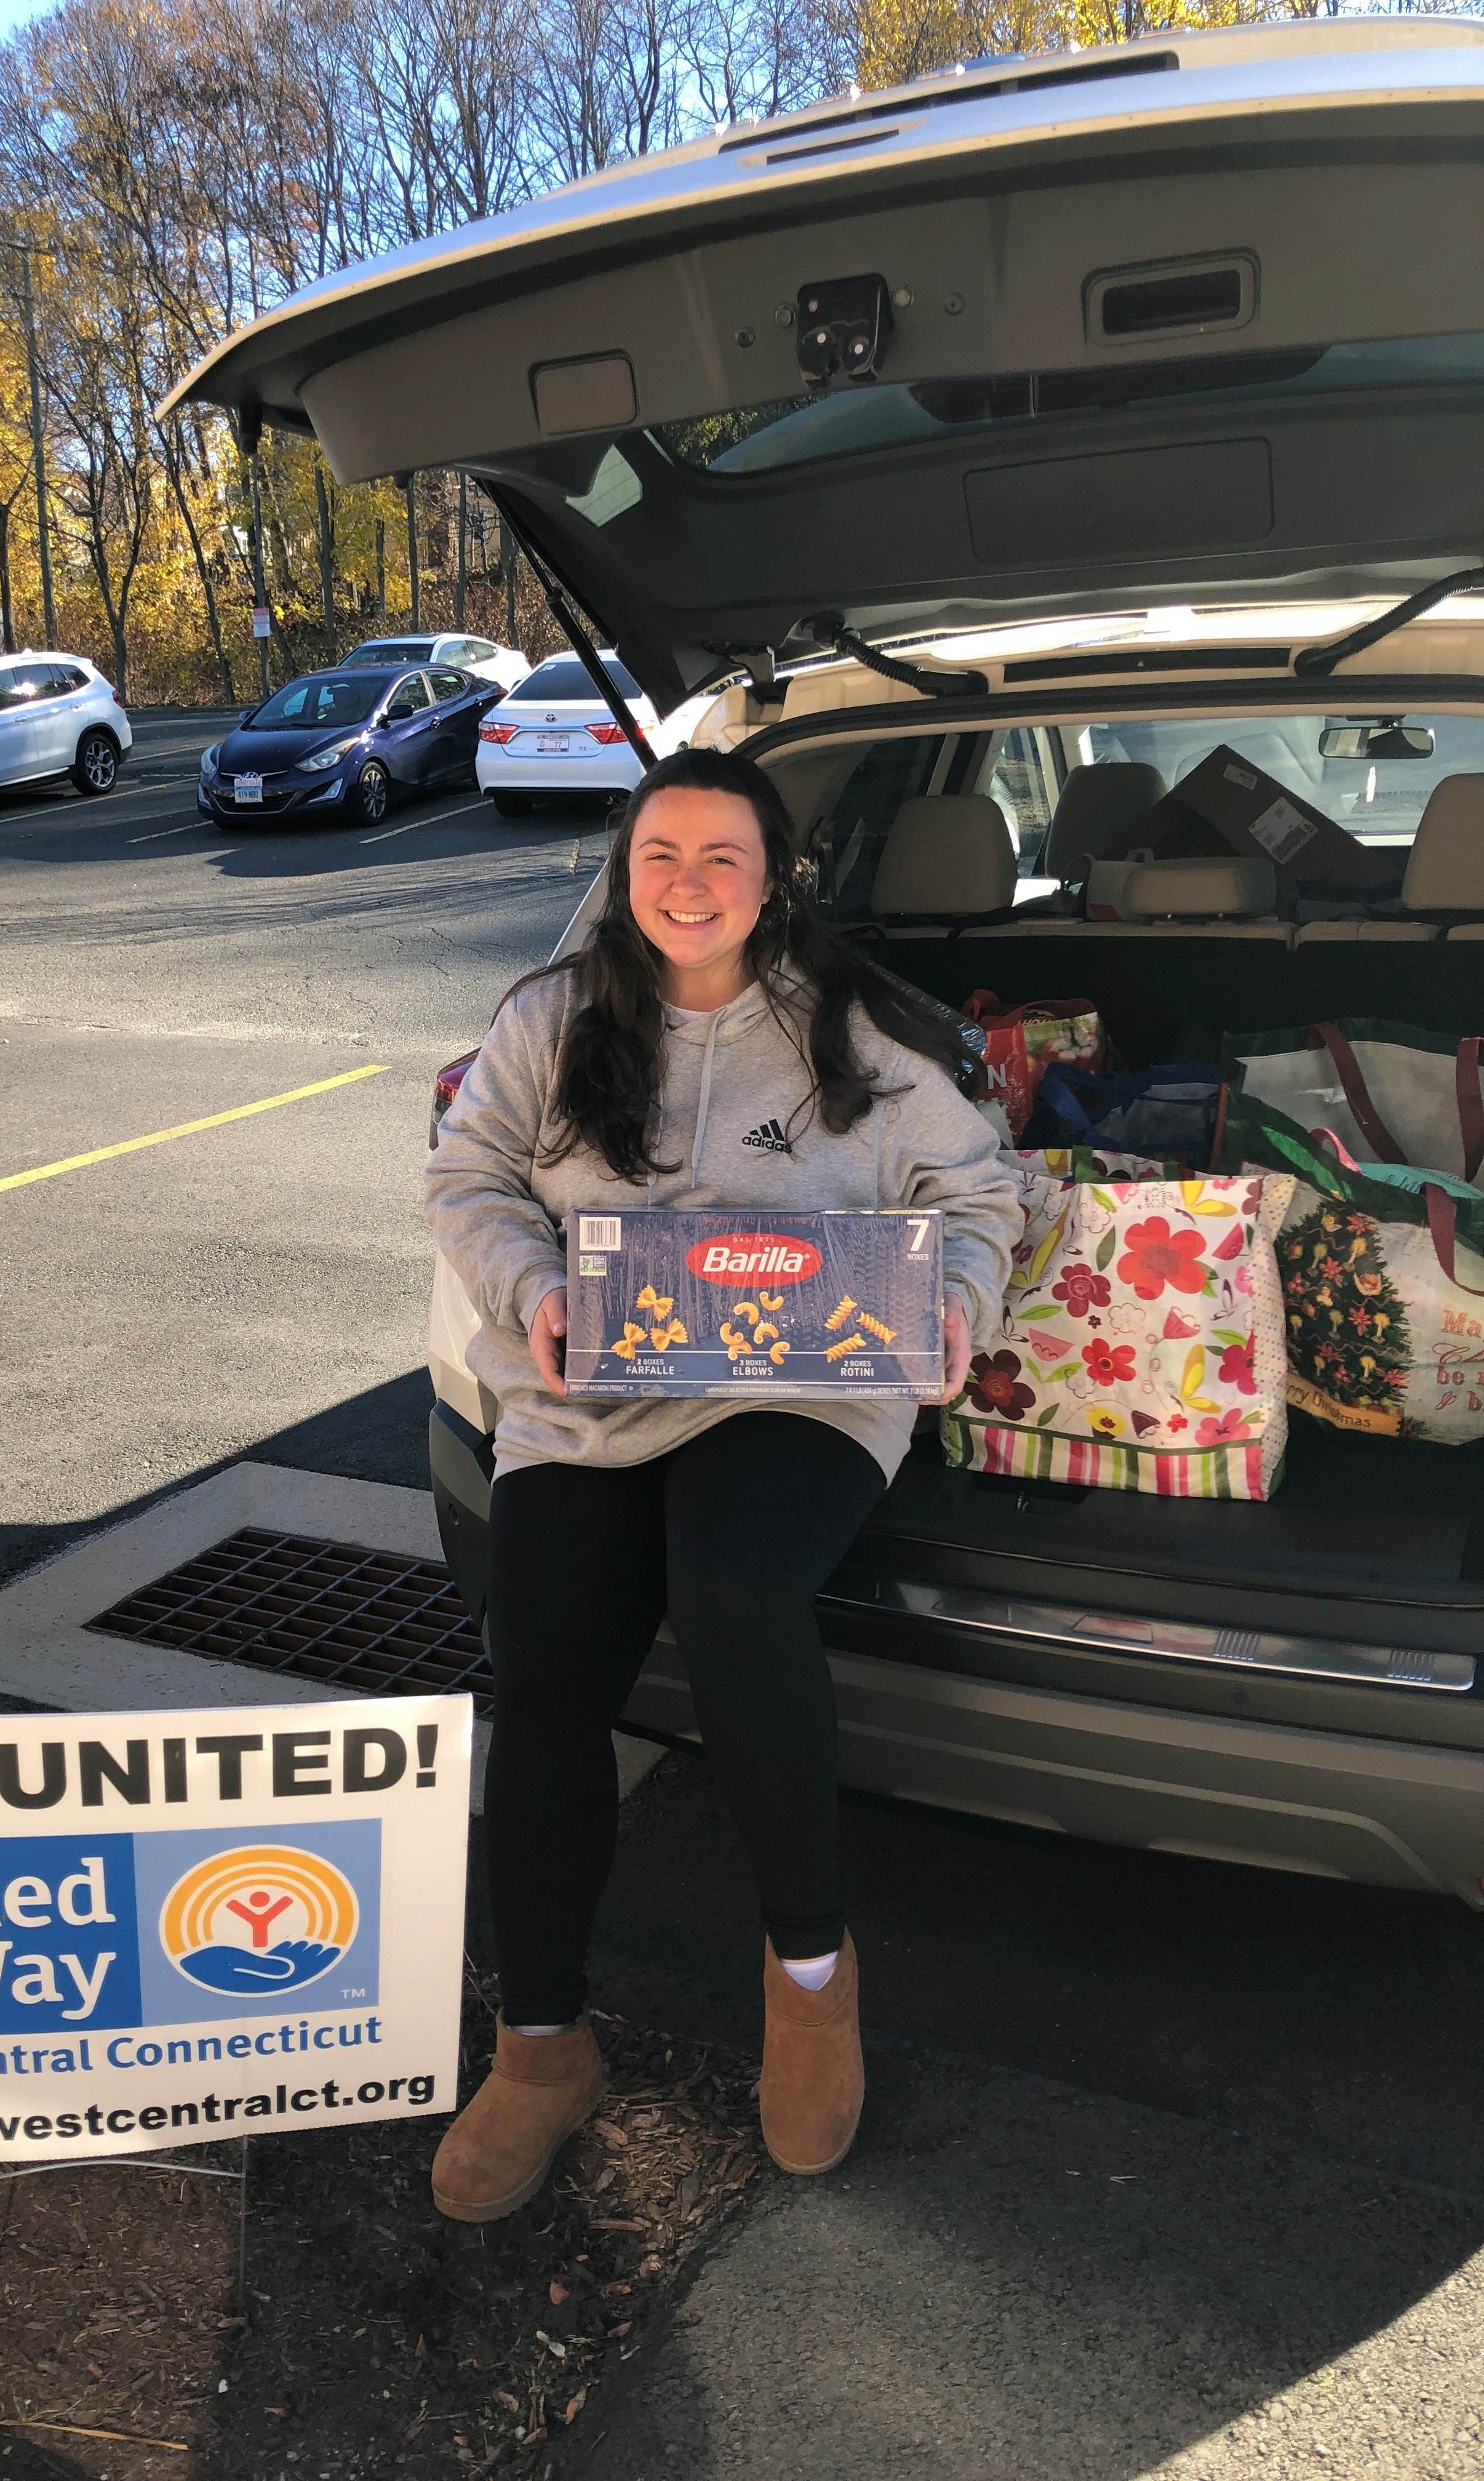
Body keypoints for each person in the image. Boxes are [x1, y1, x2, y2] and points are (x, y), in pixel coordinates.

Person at [423, 745, 1023, 2223]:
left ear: (772, 882)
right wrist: (528, 1289)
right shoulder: (549, 1019)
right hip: (592, 1388)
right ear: (625, 874)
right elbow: (467, 1175)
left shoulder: (863, 1030)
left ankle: (811, 1978)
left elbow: (981, 1192)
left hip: (803, 1379)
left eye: (722, 861)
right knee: (547, 1662)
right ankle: (542, 2042)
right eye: (659, 858)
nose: (688, 887)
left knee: (734, 1591)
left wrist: (955, 1301)